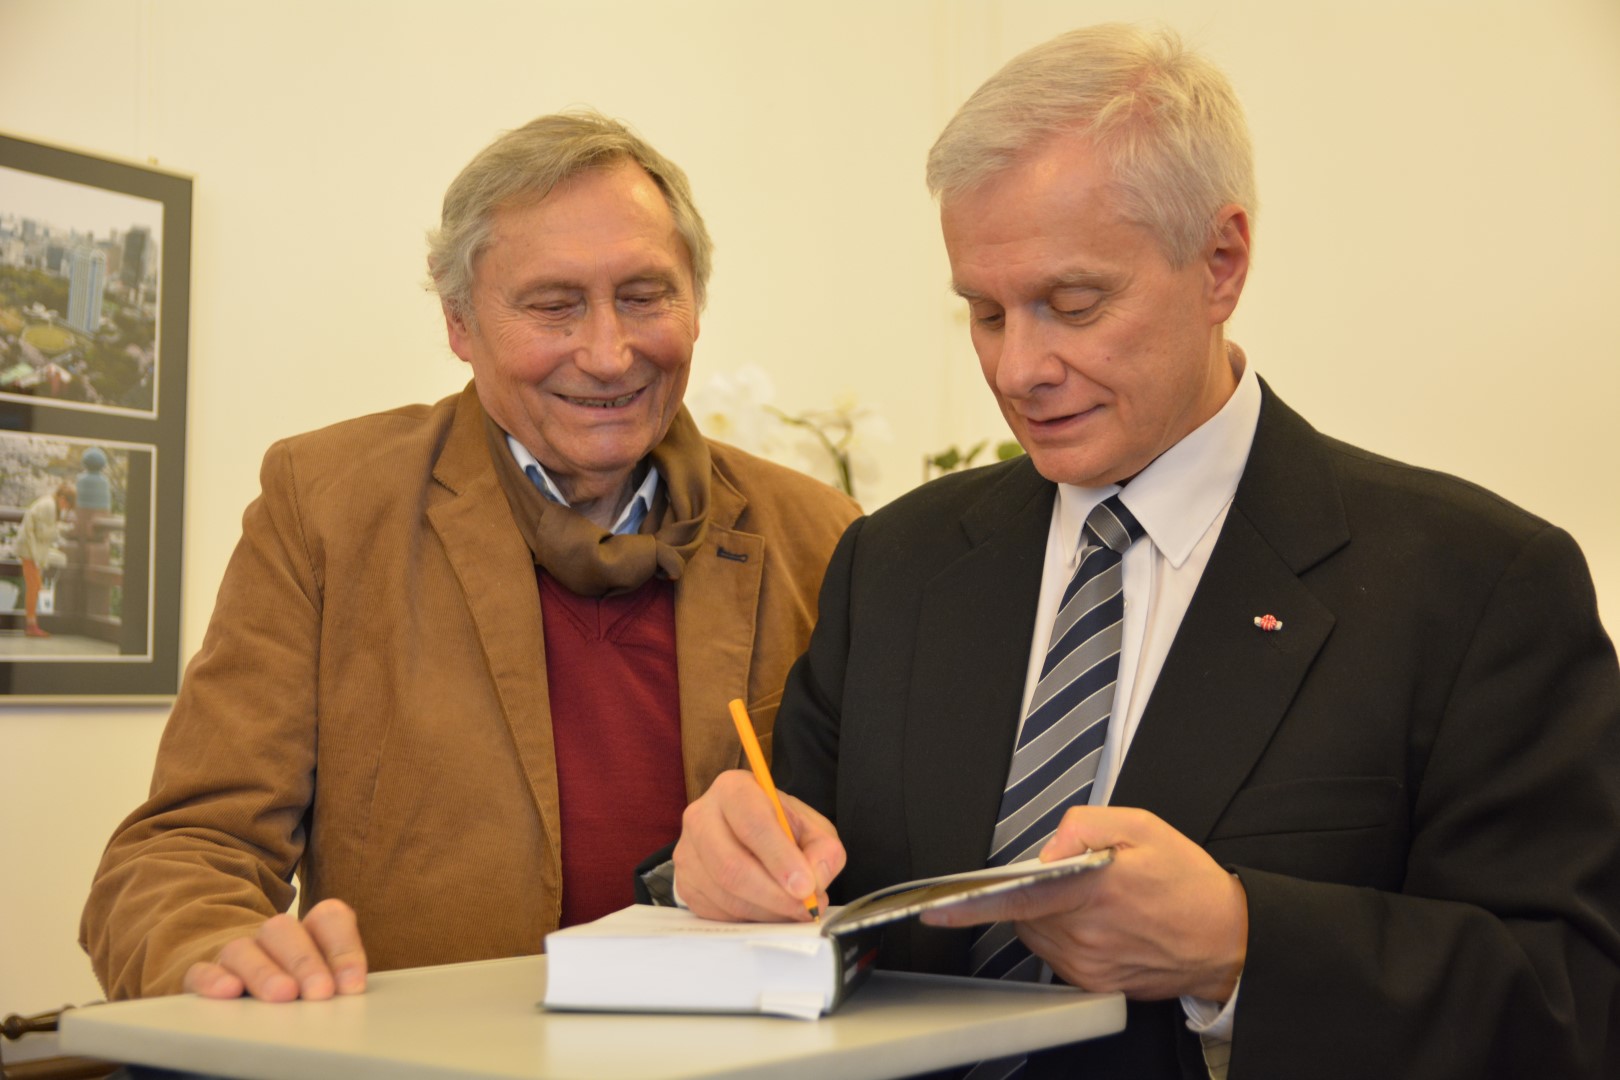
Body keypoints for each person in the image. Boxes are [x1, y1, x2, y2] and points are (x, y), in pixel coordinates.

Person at [671, 25, 1620, 1079]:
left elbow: (1574, 1006)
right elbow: (799, 879)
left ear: (1222, 263)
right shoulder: (896, 564)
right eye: (984, 313)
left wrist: (1244, 948)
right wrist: (713, 874)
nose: (1018, 368)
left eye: (1073, 305)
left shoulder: (1475, 586)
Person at [81, 111, 860, 1004]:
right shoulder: (328, 509)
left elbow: (892, 861)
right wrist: (221, 955)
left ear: (696, 304)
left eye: (645, 296)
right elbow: (187, 850)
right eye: (554, 306)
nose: (609, 354)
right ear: (458, 322)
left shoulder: (821, 536)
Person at [15, 482, 74, 637]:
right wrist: (59, 530)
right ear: (62, 498)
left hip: (30, 547)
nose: (65, 508)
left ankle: (32, 623)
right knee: (34, 586)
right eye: (67, 504)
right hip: (29, 548)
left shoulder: (49, 503)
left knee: (34, 586)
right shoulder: (49, 506)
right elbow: (42, 532)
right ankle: (31, 625)